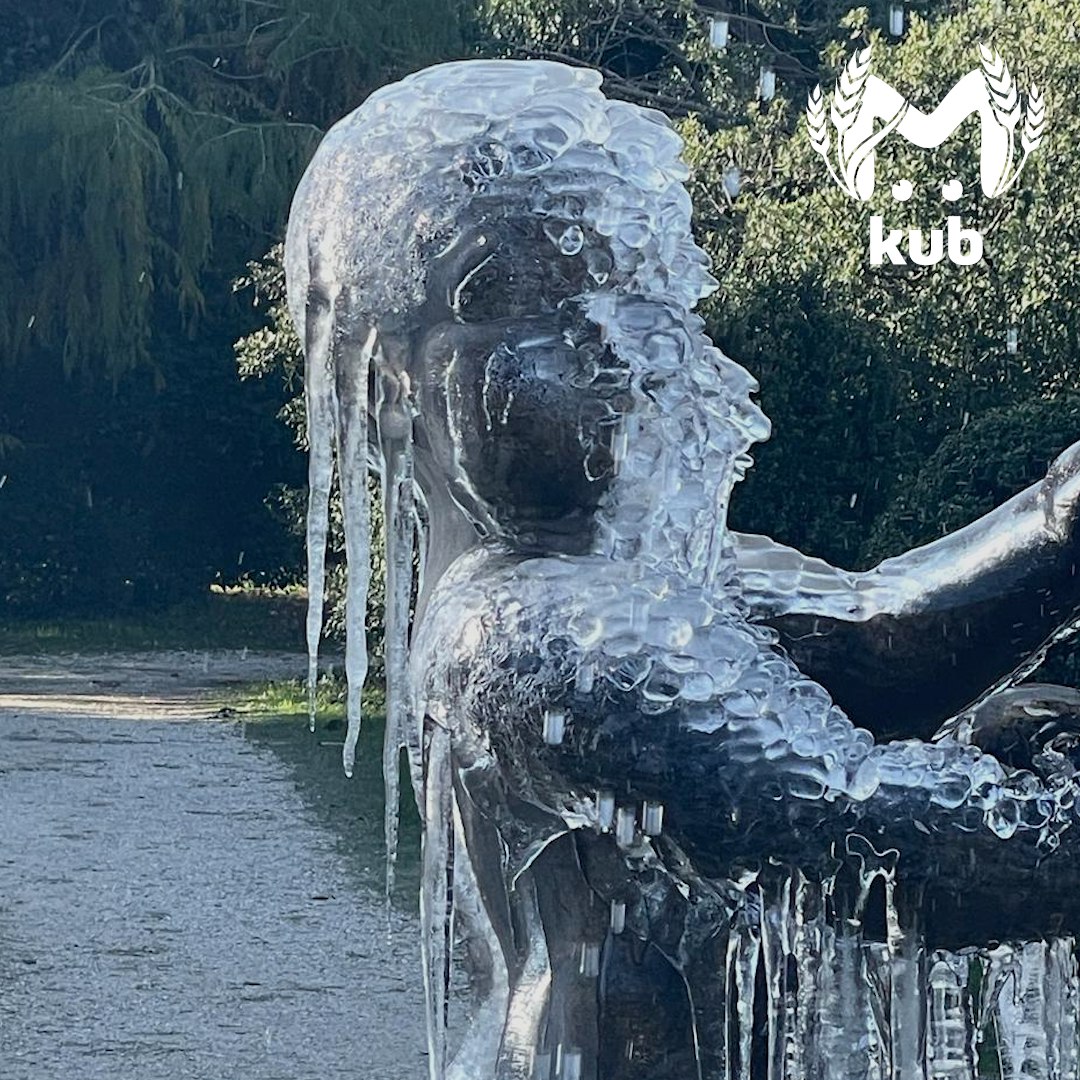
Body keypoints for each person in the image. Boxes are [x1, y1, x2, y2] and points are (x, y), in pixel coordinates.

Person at [286, 59, 1080, 1080]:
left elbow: (881, 639)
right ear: (395, 386)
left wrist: (1058, 518)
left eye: (632, 293)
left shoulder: (652, 581)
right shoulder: (523, 636)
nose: (615, 346)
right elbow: (857, 835)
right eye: (530, 311)